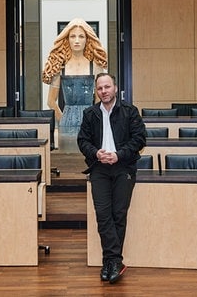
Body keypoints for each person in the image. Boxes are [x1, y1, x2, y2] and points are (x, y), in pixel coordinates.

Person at [77, 73, 146, 284]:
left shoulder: (130, 112)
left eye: (107, 87)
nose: (104, 91)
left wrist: (119, 154)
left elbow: (139, 139)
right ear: (96, 91)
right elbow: (82, 141)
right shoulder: (90, 114)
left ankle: (111, 262)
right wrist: (96, 153)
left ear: (115, 88)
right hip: (99, 168)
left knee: (118, 214)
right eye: (100, 88)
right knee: (103, 215)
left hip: (123, 166)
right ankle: (114, 260)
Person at [42, 18, 108, 134]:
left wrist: (95, 120)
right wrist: (63, 120)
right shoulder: (60, 67)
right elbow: (51, 101)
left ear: (87, 39)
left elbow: (100, 99)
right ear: (67, 39)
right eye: (73, 36)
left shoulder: (95, 66)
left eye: (81, 36)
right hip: (66, 124)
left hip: (91, 123)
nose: (77, 40)